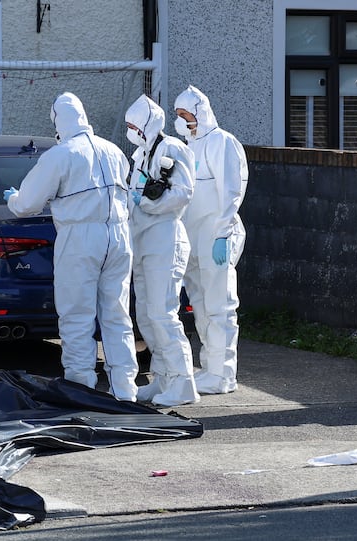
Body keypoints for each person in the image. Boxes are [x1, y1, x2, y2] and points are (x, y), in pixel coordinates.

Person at [4, 92, 139, 401]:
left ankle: (80, 389)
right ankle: (125, 390)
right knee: (117, 315)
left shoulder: (61, 154)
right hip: (118, 237)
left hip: (80, 239)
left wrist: (13, 197)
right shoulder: (114, 150)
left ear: (59, 121)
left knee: (77, 315)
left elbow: (26, 204)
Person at [124, 94, 199, 406]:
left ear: (145, 124)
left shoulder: (172, 148)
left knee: (163, 313)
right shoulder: (141, 153)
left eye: (133, 125)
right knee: (145, 313)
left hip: (164, 237)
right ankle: (163, 378)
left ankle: (182, 384)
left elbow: (182, 192)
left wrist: (148, 204)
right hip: (143, 239)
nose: (130, 131)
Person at [173, 85, 248, 394]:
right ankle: (210, 367)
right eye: (177, 116)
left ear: (200, 113)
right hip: (192, 239)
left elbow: (232, 191)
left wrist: (222, 233)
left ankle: (223, 374)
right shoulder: (187, 147)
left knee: (220, 307)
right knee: (202, 307)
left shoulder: (223, 142)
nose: (181, 121)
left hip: (216, 237)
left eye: (185, 115)